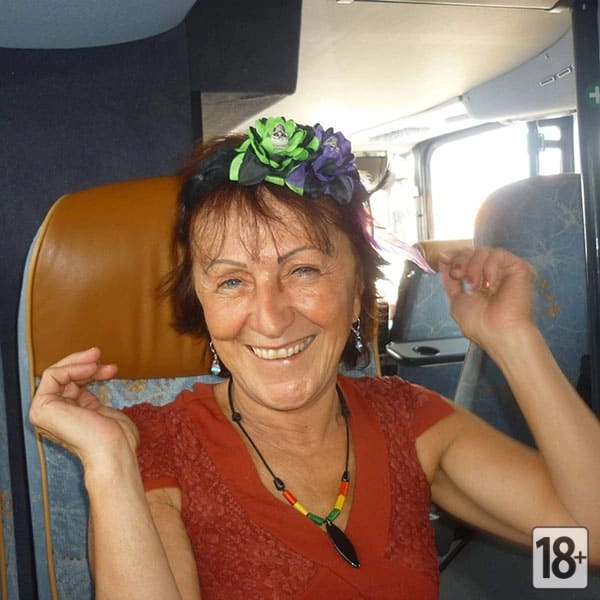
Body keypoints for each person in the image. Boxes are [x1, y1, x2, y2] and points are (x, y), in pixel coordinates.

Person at [29, 117, 600, 599]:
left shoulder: (412, 423)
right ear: (200, 302)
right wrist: (108, 464)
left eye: (303, 270)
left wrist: (514, 340)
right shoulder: (151, 447)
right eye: (231, 281)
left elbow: (588, 538)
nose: (271, 318)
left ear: (357, 290)